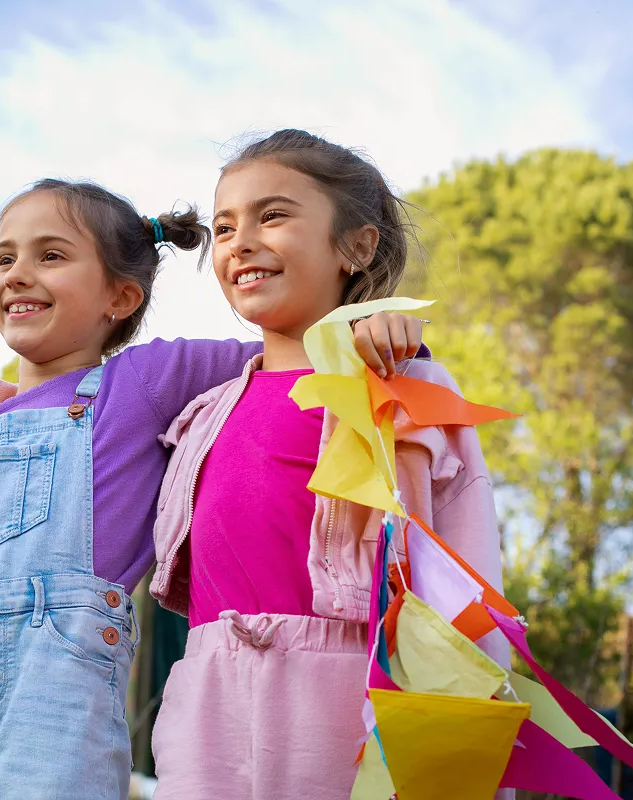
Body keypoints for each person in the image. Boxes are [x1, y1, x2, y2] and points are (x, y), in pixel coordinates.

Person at [0, 177, 424, 799]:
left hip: (57, 698)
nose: (17, 274)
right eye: (5, 258)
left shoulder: (144, 381)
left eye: (50, 256)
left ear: (121, 297)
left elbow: (286, 350)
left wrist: (374, 329)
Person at [146, 130, 511, 799]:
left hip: (349, 706)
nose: (241, 241)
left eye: (273, 215)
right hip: (204, 708)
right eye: (224, 226)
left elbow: (468, 573)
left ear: (356, 246)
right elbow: (78, 394)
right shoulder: (201, 414)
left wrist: (464, 745)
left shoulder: (407, 391)